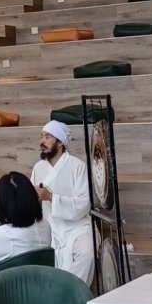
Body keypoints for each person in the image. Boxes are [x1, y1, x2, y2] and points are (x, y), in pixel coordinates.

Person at [31, 120, 94, 286]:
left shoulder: (78, 166)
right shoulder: (38, 167)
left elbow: (83, 204)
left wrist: (51, 197)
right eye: (41, 136)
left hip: (78, 227)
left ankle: (71, 292)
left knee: (87, 254)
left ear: (60, 142)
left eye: (47, 137)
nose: (42, 141)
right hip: (49, 226)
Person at [0, 173, 49, 277]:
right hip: (42, 283)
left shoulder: (3, 233)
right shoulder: (45, 226)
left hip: (11, 286)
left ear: (3, 202)